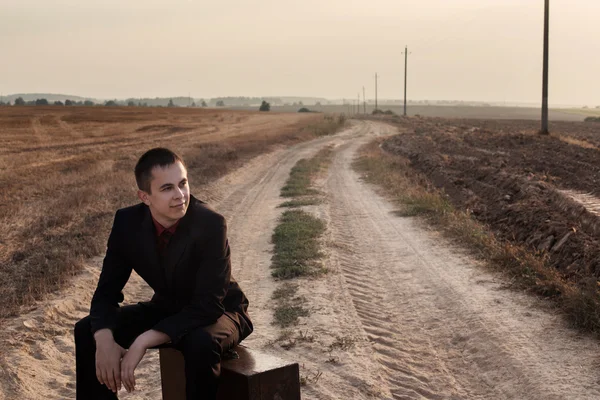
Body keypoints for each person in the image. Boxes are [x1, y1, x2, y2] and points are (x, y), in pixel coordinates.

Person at [74, 147, 253, 399]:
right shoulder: (127, 223)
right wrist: (104, 341)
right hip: (169, 307)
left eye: (183, 183)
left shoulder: (210, 224)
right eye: (167, 188)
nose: (180, 195)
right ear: (145, 197)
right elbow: (106, 293)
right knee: (87, 331)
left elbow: (208, 306)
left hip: (222, 311)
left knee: (199, 342)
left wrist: (143, 341)